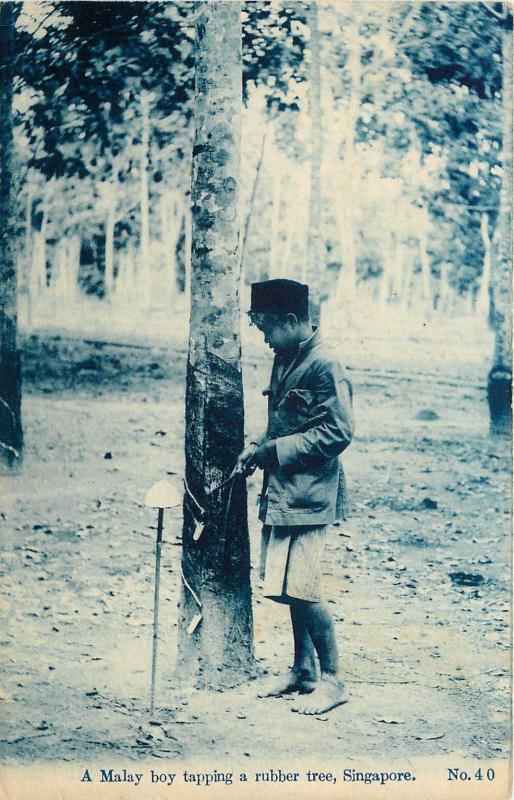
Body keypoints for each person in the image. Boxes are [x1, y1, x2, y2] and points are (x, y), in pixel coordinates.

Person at [237, 278, 354, 715]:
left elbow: (339, 432)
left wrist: (277, 452)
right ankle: (303, 670)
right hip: (284, 491)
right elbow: (281, 420)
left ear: (290, 320)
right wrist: (258, 446)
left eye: (266, 327)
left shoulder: (325, 365)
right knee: (287, 587)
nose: (263, 338)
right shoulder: (285, 356)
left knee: (304, 588)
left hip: (310, 494)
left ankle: (334, 679)